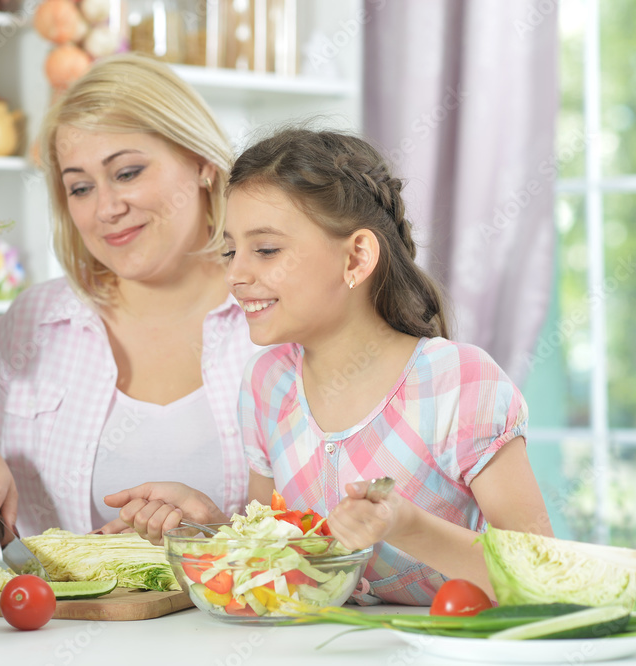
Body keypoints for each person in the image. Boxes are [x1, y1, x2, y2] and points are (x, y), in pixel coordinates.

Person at [106, 127, 553, 605]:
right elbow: (283, 559)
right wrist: (209, 524)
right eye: (231, 250)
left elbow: (542, 575)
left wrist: (406, 526)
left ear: (357, 257)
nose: (235, 274)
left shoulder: (459, 382)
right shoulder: (267, 383)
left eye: (267, 249)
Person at [0, 54, 261, 565]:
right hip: (59, 639)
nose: (106, 209)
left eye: (128, 172)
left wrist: (222, 540)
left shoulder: (273, 315)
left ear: (203, 164)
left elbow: (338, 536)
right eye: (81, 187)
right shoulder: (34, 322)